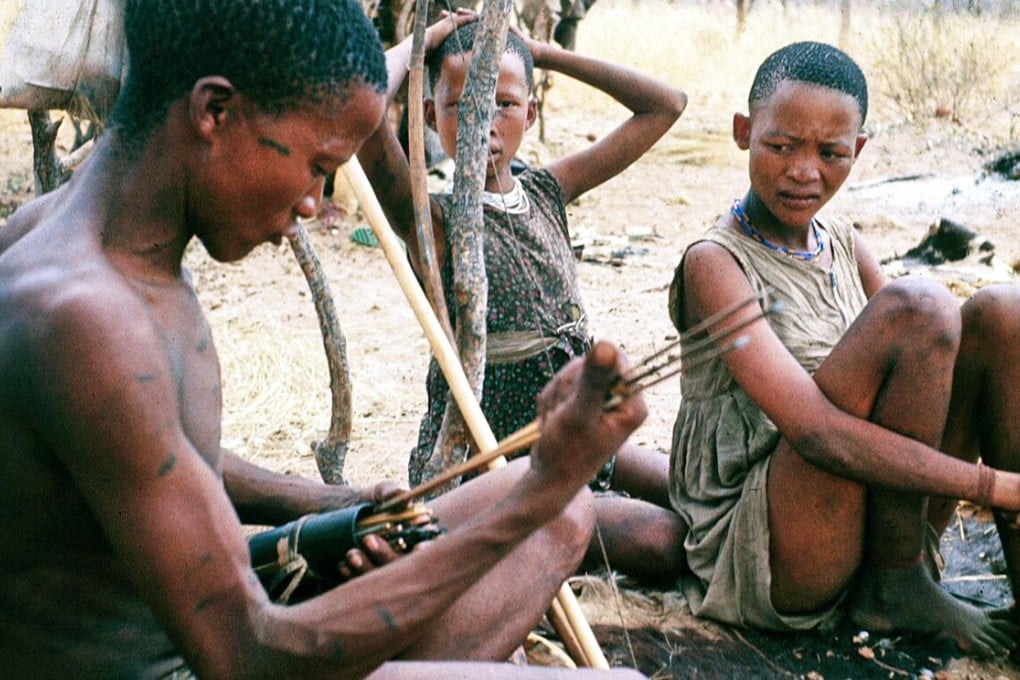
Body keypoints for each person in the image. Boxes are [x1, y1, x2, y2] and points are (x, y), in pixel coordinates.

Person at [0, 1, 651, 678]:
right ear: (214, 113)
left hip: (197, 621)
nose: (314, 204)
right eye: (318, 165)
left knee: (566, 517)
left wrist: (325, 506)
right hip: (193, 660)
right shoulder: (87, 321)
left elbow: (141, 439)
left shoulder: (63, 235)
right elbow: (247, 656)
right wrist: (539, 487)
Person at [668, 39, 1020, 658]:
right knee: (921, 304)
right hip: (777, 543)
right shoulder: (714, 265)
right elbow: (814, 435)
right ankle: (895, 586)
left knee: (1000, 315)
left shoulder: (842, 241)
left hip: (876, 518)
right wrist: (990, 486)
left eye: (830, 153)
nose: (804, 171)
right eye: (780, 146)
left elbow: (925, 368)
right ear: (743, 133)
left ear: (857, 151)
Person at [358, 15, 688, 581]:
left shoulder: (547, 189)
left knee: (688, 487)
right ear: (431, 117)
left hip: (575, 423)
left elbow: (666, 104)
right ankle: (532, 530)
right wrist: (424, 44)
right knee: (664, 540)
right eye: (462, 104)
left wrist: (542, 52)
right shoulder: (427, 216)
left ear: (530, 115)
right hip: (498, 455)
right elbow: (358, 99)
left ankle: (571, 513)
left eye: (503, 103)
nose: (483, 119)